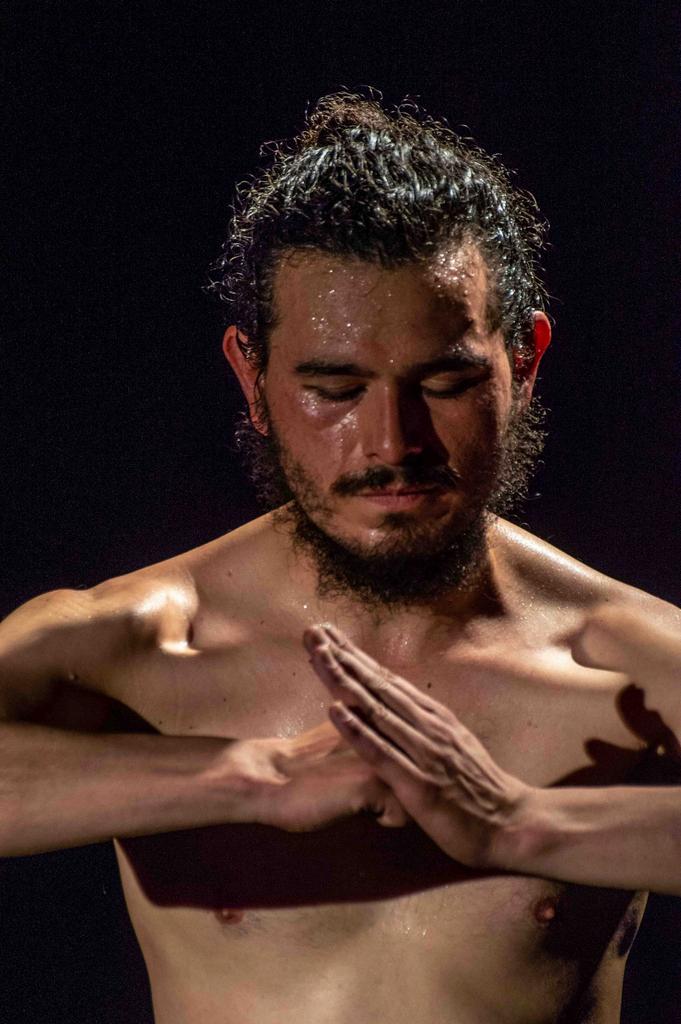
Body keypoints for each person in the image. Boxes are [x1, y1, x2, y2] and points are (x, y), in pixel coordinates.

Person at [1, 92, 680, 1024]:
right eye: (333, 388)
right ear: (251, 378)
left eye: (445, 381)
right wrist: (249, 779)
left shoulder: (629, 664)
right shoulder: (145, 641)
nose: (390, 443)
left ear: (523, 364)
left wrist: (520, 824)